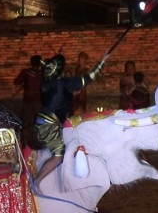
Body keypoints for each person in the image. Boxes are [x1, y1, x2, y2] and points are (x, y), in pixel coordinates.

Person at [34, 52, 108, 183]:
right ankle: (36, 182)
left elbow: (57, 99)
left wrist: (70, 94)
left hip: (45, 120)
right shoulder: (63, 83)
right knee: (58, 156)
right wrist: (102, 61)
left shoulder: (46, 84)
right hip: (50, 123)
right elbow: (89, 77)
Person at [13, 55, 44, 148]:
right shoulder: (42, 74)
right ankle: (36, 143)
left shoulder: (26, 73)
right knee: (37, 122)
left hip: (28, 101)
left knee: (26, 122)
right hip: (39, 101)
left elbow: (16, 82)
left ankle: (25, 144)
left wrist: (24, 82)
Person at [70, 52, 91, 116]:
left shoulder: (86, 70)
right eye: (80, 58)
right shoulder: (76, 69)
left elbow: (86, 80)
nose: (81, 60)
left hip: (82, 89)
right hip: (76, 88)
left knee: (81, 105)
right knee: (75, 105)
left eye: (82, 59)